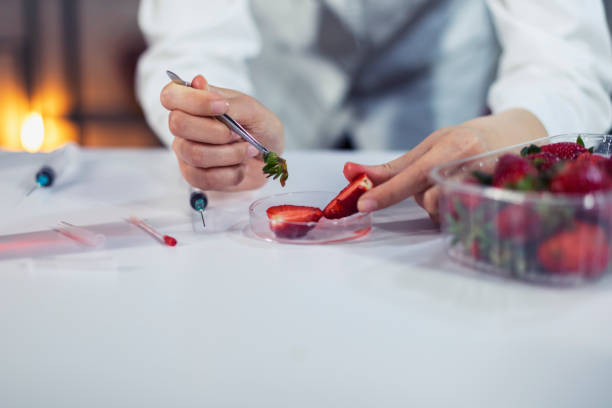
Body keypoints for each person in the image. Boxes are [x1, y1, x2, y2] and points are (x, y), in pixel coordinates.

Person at [136, 0, 612, 221]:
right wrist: (214, 125)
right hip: (278, 86)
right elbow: (187, 45)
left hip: (443, 98)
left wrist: (509, 134)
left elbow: (567, 59)